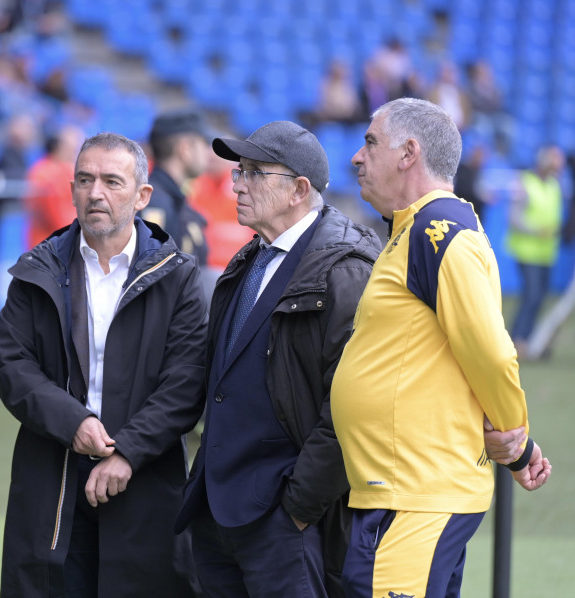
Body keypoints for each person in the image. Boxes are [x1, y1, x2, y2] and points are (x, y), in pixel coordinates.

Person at [332, 97, 552, 598]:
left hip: (418, 492)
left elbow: (490, 352)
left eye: (370, 143)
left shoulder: (440, 231)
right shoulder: (414, 230)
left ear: (409, 153)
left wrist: (513, 438)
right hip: (403, 488)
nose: (356, 157)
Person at [0, 132, 207, 597]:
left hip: (146, 484)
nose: (96, 193)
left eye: (112, 181)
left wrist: (127, 452)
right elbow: (11, 366)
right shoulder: (36, 269)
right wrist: (75, 423)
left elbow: (186, 383)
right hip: (52, 480)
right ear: (71, 190)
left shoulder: (179, 276)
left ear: (142, 196)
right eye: (85, 180)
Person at [174, 120, 383, 597]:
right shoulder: (252, 257)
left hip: (283, 522)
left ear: (299, 190)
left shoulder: (346, 271)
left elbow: (353, 408)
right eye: (238, 172)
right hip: (219, 512)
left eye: (253, 172)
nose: (238, 184)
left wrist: (297, 507)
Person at [506, 144, 566, 354]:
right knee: (531, 295)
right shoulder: (525, 182)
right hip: (526, 250)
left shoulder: (555, 185)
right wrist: (536, 231)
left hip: (546, 253)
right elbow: (514, 218)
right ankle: (516, 338)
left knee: (539, 297)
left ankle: (527, 339)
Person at [139, 109, 211, 268]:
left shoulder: (173, 200)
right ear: (185, 149)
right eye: (204, 144)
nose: (208, 152)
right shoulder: (156, 203)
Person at [23, 123, 83, 248]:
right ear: (59, 147)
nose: (76, 153)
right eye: (73, 148)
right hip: (48, 247)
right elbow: (56, 219)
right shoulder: (43, 172)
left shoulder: (69, 170)